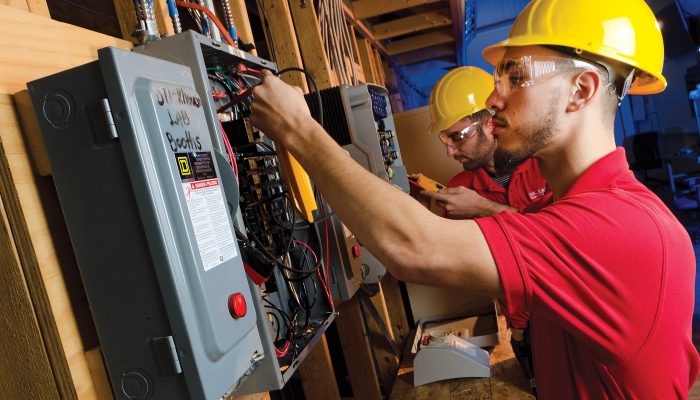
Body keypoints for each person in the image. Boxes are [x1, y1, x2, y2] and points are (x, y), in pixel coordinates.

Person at [249, 0, 700, 397]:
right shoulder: (570, 208)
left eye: (516, 77)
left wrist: (298, 130)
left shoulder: (625, 229)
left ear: (580, 91)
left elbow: (414, 246)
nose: (493, 99)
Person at [421, 65, 551, 220]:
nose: (450, 152)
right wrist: (423, 218)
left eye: (458, 137)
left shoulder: (547, 165)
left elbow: (563, 234)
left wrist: (483, 208)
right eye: (445, 139)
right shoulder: (458, 189)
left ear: (491, 124)